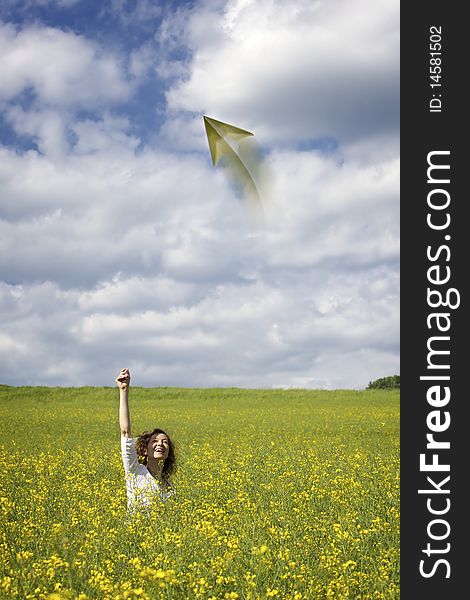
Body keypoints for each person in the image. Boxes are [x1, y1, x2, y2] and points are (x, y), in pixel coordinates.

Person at [116, 368, 176, 511]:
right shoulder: (135, 470)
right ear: (144, 449)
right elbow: (125, 432)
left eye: (165, 442)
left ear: (168, 454)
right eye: (154, 441)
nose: (160, 444)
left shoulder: (170, 486)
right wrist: (123, 391)